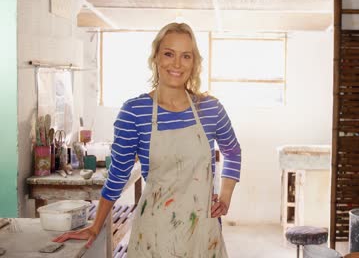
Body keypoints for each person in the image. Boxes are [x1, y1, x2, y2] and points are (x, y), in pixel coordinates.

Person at [53, 22, 242, 257]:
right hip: (154, 236)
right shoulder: (135, 111)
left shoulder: (210, 109)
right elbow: (118, 174)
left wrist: (225, 197)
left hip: (202, 236)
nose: (176, 64)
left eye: (186, 56)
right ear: (156, 58)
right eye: (169, 54)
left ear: (194, 64)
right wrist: (95, 226)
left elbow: (233, 152)